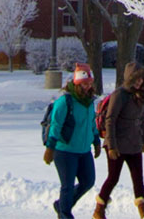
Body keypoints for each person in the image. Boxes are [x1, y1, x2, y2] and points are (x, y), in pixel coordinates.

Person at [95, 63, 144, 219]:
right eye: (136, 79)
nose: (139, 82)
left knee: (138, 178)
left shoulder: (141, 95)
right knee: (113, 177)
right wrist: (112, 146)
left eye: (141, 79)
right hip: (117, 144)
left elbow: (143, 119)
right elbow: (110, 120)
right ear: (129, 79)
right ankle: (99, 209)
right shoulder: (119, 95)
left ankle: (143, 212)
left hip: (134, 143)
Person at [44, 63, 100, 218]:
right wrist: (50, 148)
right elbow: (56, 125)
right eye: (84, 84)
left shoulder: (89, 102)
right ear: (76, 84)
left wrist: (96, 141)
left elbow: (91, 123)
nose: (88, 87)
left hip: (83, 151)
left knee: (88, 181)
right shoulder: (65, 102)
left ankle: (61, 205)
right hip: (64, 151)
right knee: (67, 186)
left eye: (90, 83)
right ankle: (65, 213)